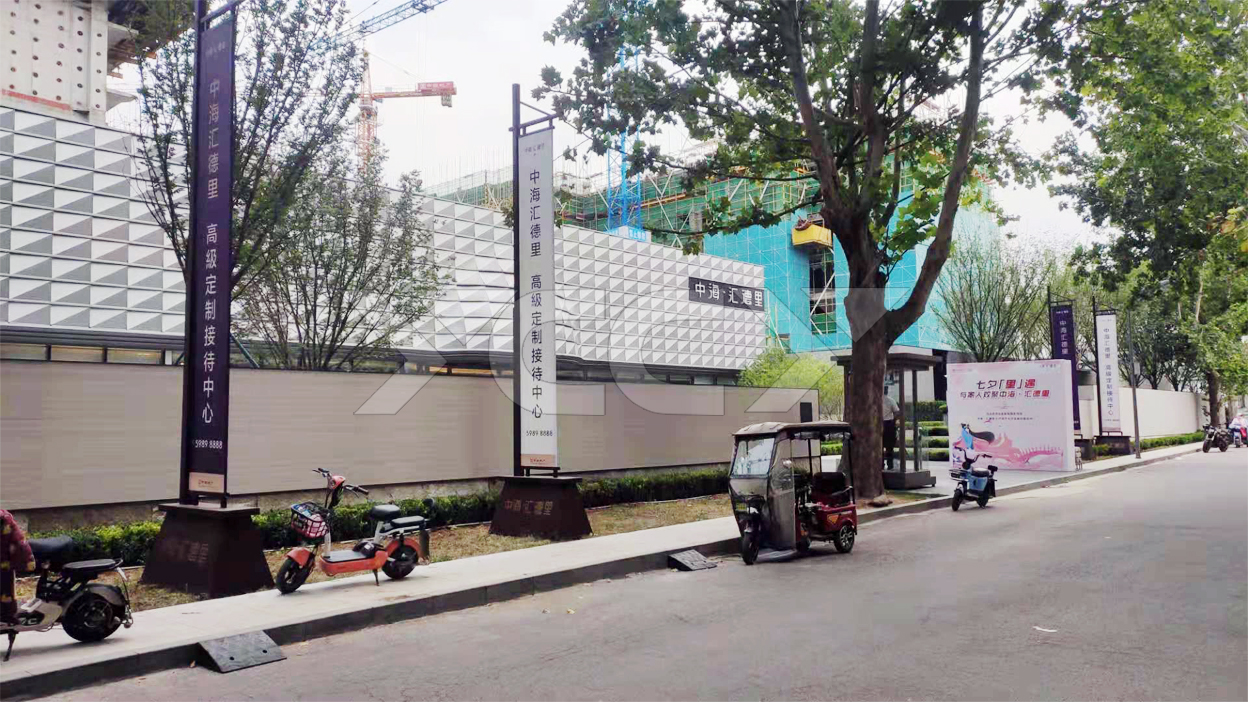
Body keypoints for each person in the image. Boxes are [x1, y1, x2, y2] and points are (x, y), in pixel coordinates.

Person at [1, 509, 35, 624]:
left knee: (5, 589)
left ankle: (8, 617)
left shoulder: (4, 519)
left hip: (6, 562)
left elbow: (20, 544)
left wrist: (25, 564)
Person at [883, 386, 900, 469]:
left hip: (879, 424)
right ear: (887, 391)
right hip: (889, 424)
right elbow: (897, 412)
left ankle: (880, 465)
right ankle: (890, 465)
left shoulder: (876, 400)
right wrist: (894, 421)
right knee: (889, 447)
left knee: (879, 446)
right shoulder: (890, 400)